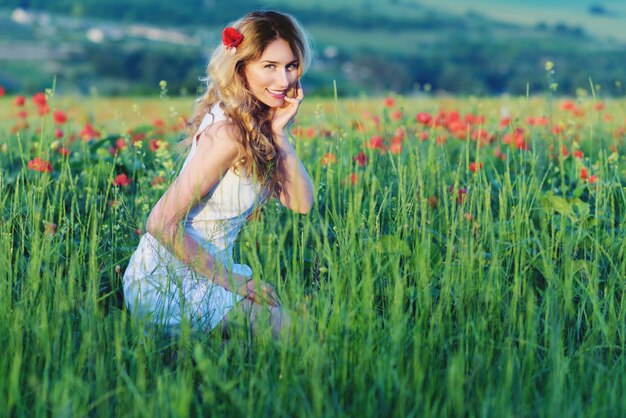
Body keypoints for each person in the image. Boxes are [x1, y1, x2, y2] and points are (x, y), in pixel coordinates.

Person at [122, 10, 314, 339]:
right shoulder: (228, 134)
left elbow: (301, 203)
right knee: (303, 337)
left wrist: (281, 135)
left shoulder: (255, 123)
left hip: (205, 271)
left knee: (309, 326)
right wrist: (232, 280)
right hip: (167, 280)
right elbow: (160, 222)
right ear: (241, 67)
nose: (284, 81)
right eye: (269, 66)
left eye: (291, 66)